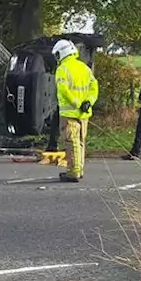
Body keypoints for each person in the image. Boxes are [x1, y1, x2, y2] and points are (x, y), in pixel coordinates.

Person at [53, 39, 99, 182]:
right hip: (84, 113)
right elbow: (94, 87)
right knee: (80, 142)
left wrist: (77, 103)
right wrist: (88, 102)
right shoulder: (84, 68)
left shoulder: (62, 69)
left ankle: (73, 172)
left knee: (71, 142)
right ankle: (79, 169)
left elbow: (63, 90)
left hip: (69, 113)